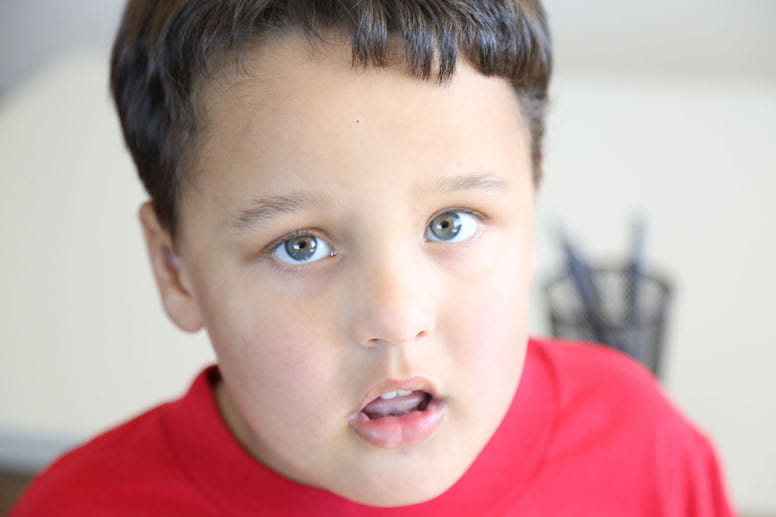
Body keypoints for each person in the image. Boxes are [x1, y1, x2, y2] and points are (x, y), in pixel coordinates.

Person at [12, 0, 734, 515]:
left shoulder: (648, 452)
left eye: (451, 223)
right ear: (176, 270)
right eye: (302, 245)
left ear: (532, 207)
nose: (395, 316)